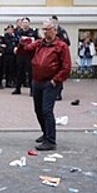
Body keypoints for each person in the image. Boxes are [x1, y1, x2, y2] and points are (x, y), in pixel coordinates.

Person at [16, 21, 71, 151]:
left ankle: (51, 140)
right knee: (38, 110)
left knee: (47, 111)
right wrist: (21, 43)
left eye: (48, 29)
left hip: (50, 82)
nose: (45, 32)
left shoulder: (61, 46)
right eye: (44, 29)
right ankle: (46, 133)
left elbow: (66, 67)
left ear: (55, 31)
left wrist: (55, 80)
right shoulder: (39, 44)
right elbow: (24, 51)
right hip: (37, 81)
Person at [12, 17, 39, 95]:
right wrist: (15, 47)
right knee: (19, 72)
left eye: (26, 22)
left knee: (30, 72)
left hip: (29, 55)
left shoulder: (33, 32)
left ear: (29, 23)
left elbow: (37, 42)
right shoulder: (18, 32)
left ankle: (32, 90)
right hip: (20, 54)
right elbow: (15, 41)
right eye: (23, 22)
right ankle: (17, 88)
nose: (25, 24)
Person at [50, 16, 71, 100]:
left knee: (59, 75)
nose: (53, 23)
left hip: (60, 56)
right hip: (52, 56)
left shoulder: (61, 31)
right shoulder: (50, 32)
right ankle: (53, 93)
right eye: (52, 22)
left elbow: (67, 42)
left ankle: (58, 93)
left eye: (54, 22)